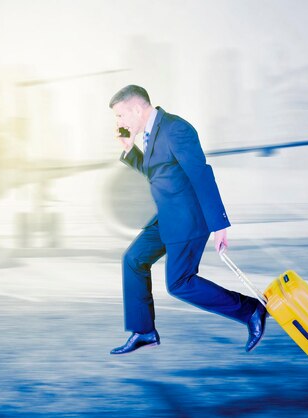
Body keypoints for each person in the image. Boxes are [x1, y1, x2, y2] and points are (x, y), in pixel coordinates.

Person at [109, 85, 267, 355]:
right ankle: (144, 331)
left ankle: (251, 310)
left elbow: (201, 174)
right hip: (168, 216)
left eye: (121, 116)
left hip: (189, 219)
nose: (119, 123)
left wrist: (219, 225)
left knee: (179, 283)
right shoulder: (148, 133)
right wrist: (129, 149)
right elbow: (156, 173)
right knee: (133, 259)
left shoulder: (175, 129)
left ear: (136, 108)